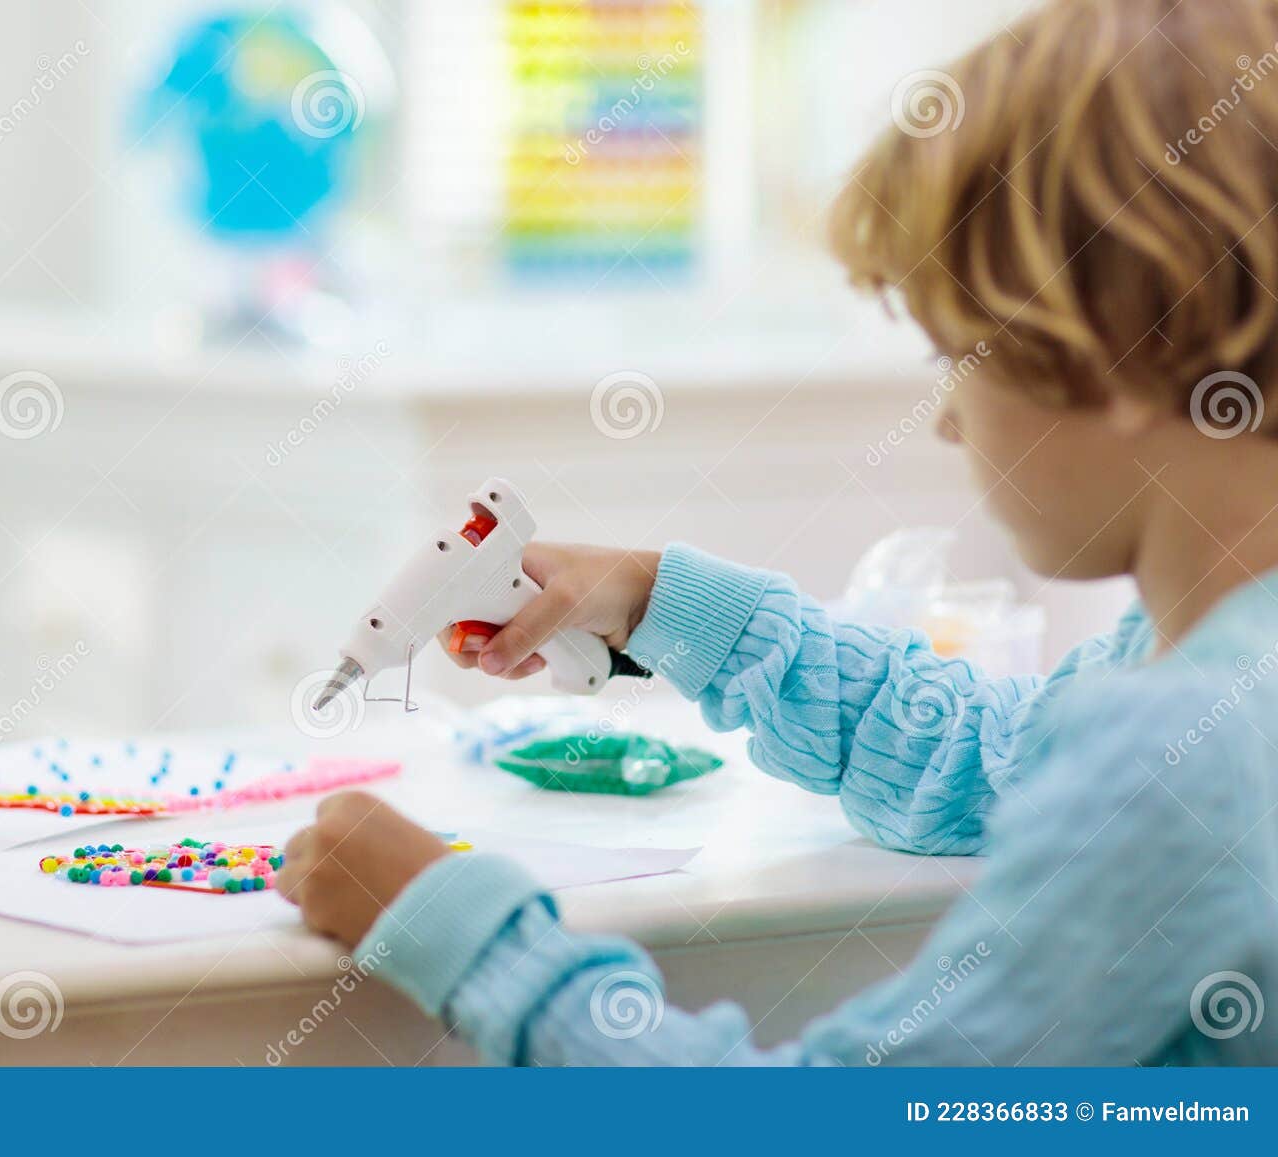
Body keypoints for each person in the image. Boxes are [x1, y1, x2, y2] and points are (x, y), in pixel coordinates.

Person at [276, 0, 1278, 1064]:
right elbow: (984, 759)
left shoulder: (1182, 752)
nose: (945, 415)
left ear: (1123, 349)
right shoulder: (1208, 679)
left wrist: (458, 929)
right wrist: (661, 599)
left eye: (959, 354)